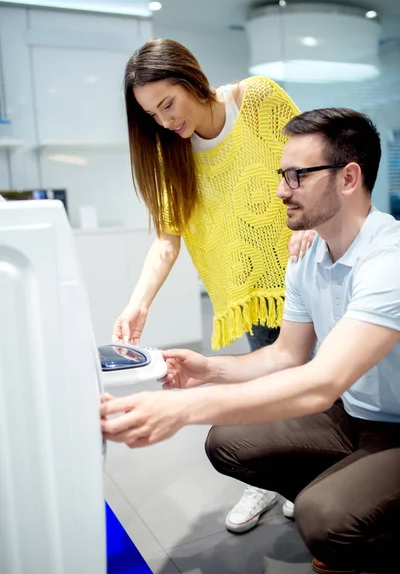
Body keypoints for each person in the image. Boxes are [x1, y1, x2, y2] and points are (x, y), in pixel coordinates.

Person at [101, 107, 400, 574]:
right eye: (283, 175)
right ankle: (354, 493)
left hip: (394, 427)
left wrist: (180, 410)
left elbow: (320, 382)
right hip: (352, 412)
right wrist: (207, 369)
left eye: (297, 176)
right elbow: (286, 355)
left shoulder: (388, 261)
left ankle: (364, 517)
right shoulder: (308, 254)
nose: (282, 190)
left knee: (323, 517)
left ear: (348, 178)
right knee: (229, 442)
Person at [111, 38, 315, 531]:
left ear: (190, 79)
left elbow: (313, 163)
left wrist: (311, 221)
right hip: (253, 291)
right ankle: (276, 477)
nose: (164, 122)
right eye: (151, 115)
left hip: (310, 267)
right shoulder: (169, 154)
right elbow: (167, 239)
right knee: (271, 383)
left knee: (329, 383)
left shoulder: (258, 100)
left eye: (168, 104)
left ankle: (314, 476)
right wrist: (138, 304)